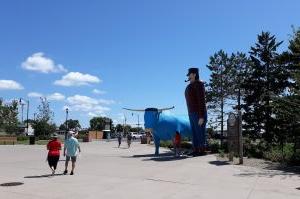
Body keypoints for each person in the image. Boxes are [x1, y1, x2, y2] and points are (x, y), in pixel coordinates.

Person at [185, 67, 208, 156]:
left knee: (199, 132)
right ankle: (195, 149)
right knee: (194, 132)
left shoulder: (199, 84)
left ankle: (201, 150)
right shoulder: (189, 86)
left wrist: (201, 116)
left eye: (190, 75)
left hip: (198, 113)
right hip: (191, 113)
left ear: (194, 74)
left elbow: (201, 100)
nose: (189, 77)